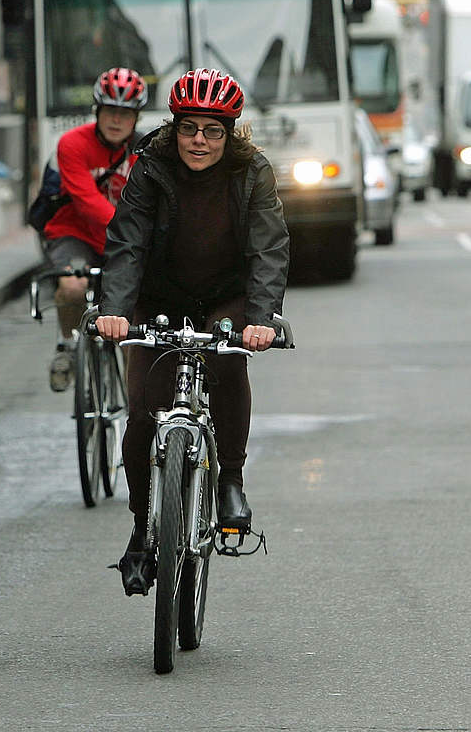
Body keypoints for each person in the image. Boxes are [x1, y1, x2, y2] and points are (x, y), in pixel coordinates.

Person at [93, 68, 289, 596]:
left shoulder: (253, 173)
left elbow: (268, 250)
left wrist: (261, 320)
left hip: (227, 294)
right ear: (174, 128)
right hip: (160, 297)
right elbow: (127, 242)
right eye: (189, 128)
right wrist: (114, 309)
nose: (199, 140)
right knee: (141, 414)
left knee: (227, 360)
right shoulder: (150, 167)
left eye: (212, 130)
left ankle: (230, 480)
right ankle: (142, 527)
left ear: (230, 134)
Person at [43, 68, 146, 392]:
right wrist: (133, 233)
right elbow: (87, 202)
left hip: (126, 241)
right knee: (73, 287)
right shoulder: (72, 144)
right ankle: (67, 344)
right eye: (110, 111)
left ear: (136, 117)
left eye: (125, 114)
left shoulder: (147, 149)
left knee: (137, 320)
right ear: (97, 112)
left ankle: (137, 400)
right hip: (75, 233)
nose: (117, 120)